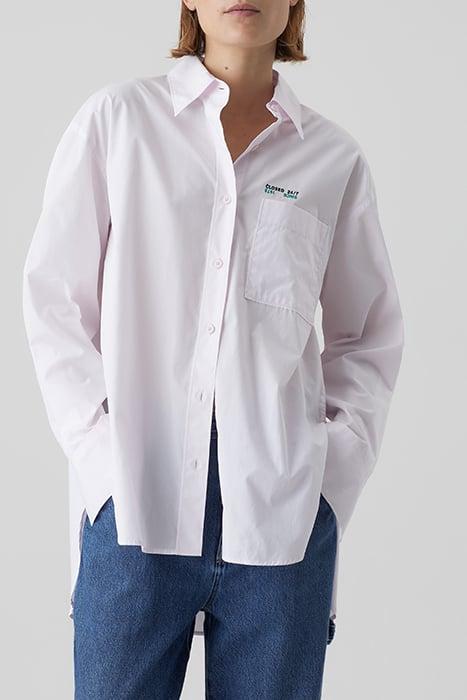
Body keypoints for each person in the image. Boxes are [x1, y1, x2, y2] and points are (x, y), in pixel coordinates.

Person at [22, 1, 404, 698]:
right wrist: (102, 459)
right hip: (135, 501)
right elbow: (54, 302)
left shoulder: (332, 158)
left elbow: (366, 334)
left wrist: (328, 478)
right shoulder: (119, 122)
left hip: (281, 512)